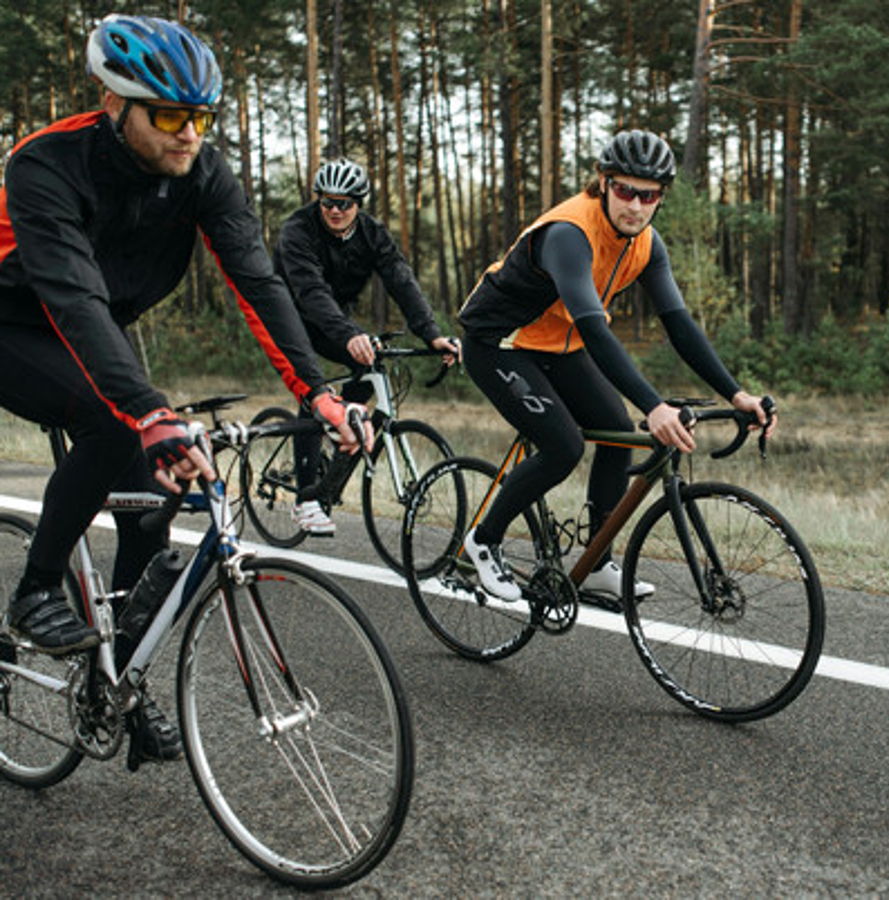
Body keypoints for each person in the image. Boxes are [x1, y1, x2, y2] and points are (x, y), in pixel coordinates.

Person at [0, 14, 369, 765]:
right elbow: (72, 297)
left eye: (201, 116)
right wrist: (148, 411)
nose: (189, 134)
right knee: (114, 426)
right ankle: (35, 590)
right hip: (15, 322)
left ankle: (119, 688)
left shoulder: (202, 173)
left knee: (153, 509)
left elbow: (257, 281)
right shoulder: (44, 165)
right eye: (170, 115)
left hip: (97, 332)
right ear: (113, 103)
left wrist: (318, 394)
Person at [457, 129, 775, 606]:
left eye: (649, 196)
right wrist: (654, 404)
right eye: (625, 190)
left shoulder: (647, 243)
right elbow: (596, 330)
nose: (636, 206)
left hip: (558, 345)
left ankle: (595, 560)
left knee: (613, 431)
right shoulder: (569, 233)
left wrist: (737, 395)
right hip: (498, 343)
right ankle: (483, 540)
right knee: (562, 445)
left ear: (660, 198)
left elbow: (680, 326)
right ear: (602, 183)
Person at [273, 158, 459, 535]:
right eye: (327, 202)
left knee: (371, 364)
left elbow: (401, 280)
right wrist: (348, 335)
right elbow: (310, 292)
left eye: (345, 203)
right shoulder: (297, 231)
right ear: (318, 201)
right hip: (288, 314)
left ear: (359, 203)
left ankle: (339, 438)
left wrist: (432, 334)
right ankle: (306, 500)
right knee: (314, 389)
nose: (335, 210)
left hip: (331, 318)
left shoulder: (372, 233)